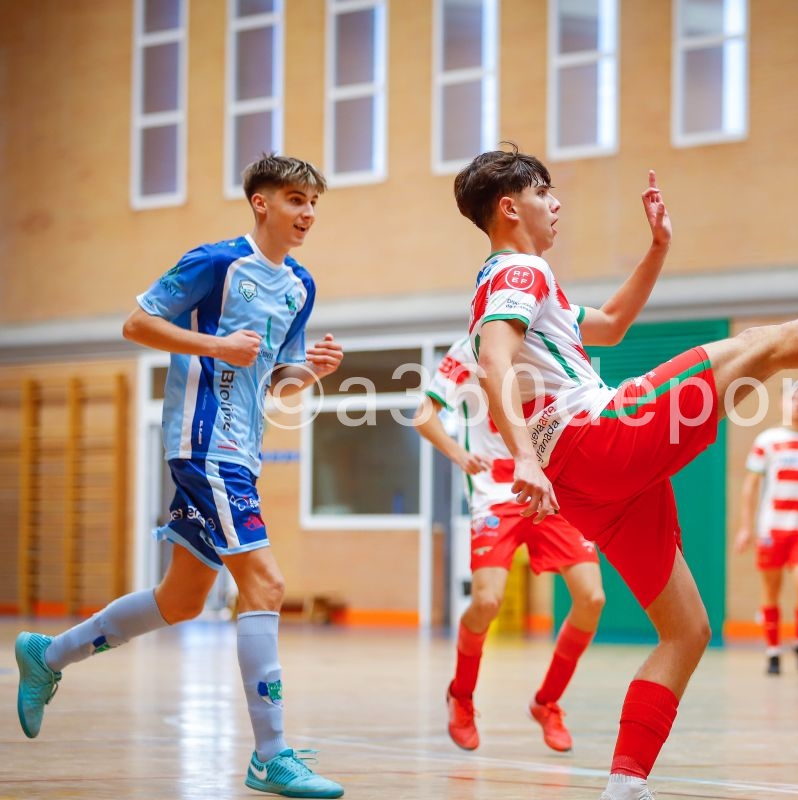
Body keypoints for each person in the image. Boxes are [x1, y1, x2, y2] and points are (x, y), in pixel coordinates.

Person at [453, 144, 798, 800]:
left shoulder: (524, 284)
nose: (556, 204)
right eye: (544, 193)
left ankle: (624, 785)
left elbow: (612, 326)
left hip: (586, 487)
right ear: (510, 206)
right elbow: (494, 363)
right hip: (596, 440)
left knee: (687, 632)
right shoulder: (517, 272)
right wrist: (525, 460)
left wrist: (657, 248)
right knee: (764, 344)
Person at [14, 154, 345, 798]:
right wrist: (216, 346)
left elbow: (277, 379)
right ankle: (270, 757)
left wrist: (313, 372)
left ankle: (46, 656)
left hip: (241, 451)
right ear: (261, 203)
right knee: (267, 584)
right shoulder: (215, 263)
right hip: (201, 446)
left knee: (182, 600)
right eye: (294, 200)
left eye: (313, 203)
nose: (306, 214)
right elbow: (136, 323)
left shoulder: (300, 285)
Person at [415, 338, 605, 752]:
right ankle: (461, 695)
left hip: (549, 491)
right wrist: (458, 453)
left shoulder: (549, 340)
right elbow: (423, 414)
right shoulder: (467, 350)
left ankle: (547, 702)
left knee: (592, 598)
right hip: (494, 493)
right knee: (487, 602)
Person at [735, 381, 798, 674]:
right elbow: (750, 487)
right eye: (793, 399)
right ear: (782, 403)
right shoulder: (767, 440)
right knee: (771, 589)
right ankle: (772, 651)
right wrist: (746, 527)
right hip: (773, 528)